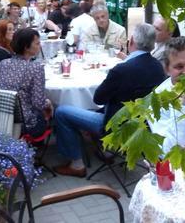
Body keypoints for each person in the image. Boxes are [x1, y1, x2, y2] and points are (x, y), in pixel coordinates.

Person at [51, 24, 168, 176]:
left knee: (62, 111)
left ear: (131, 41)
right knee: (98, 107)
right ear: (152, 43)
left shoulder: (122, 70)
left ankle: (77, 164)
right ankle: (105, 152)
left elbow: (98, 98)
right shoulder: (158, 67)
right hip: (145, 125)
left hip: (115, 127)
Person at [0, 28, 53, 137]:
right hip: (26, 125)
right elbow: (38, 103)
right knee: (57, 111)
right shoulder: (35, 68)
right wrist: (49, 103)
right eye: (37, 43)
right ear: (26, 47)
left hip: (5, 119)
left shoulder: (3, 63)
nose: (40, 46)